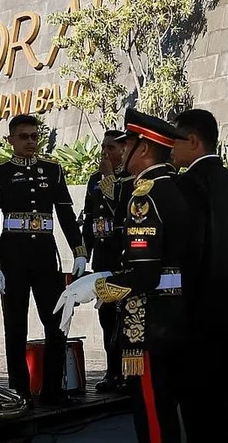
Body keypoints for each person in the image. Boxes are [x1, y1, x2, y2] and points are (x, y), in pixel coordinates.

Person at [56, 109, 191, 443]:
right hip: (176, 316)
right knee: (168, 411)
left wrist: (96, 287)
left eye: (128, 142)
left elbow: (144, 274)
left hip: (149, 321)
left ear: (142, 149)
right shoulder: (175, 188)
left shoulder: (144, 198)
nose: (121, 150)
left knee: (152, 414)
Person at [0, 114, 87, 406]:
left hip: (44, 256)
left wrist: (79, 250)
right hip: (13, 257)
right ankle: (20, 390)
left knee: (56, 322)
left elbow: (66, 213)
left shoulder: (52, 170)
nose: (31, 141)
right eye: (24, 136)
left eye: (34, 136)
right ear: (11, 140)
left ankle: (53, 389)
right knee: (15, 326)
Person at [171, 109, 228, 441]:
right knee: (227, 414)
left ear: (193, 141)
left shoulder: (186, 186)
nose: (171, 148)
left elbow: (189, 260)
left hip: (196, 325)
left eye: (175, 140)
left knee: (199, 418)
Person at [80, 129, 127, 392]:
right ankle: (112, 370)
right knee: (107, 317)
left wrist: (110, 178)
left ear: (123, 150)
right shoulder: (93, 180)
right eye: (104, 148)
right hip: (103, 258)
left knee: (126, 318)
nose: (105, 153)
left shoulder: (129, 180)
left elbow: (120, 210)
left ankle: (128, 373)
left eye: (112, 148)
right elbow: (90, 218)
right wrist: (82, 252)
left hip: (124, 258)